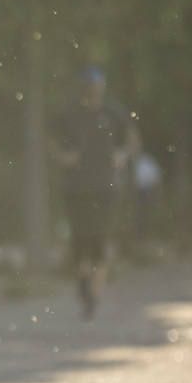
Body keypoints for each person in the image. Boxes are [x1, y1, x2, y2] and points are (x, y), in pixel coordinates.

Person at [52, 66, 138, 319]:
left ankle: (93, 295)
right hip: (76, 187)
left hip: (106, 186)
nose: (92, 91)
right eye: (88, 86)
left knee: (100, 241)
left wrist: (122, 155)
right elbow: (52, 141)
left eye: (96, 85)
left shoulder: (115, 113)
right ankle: (83, 280)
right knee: (80, 240)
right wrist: (63, 157)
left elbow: (132, 139)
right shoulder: (70, 114)